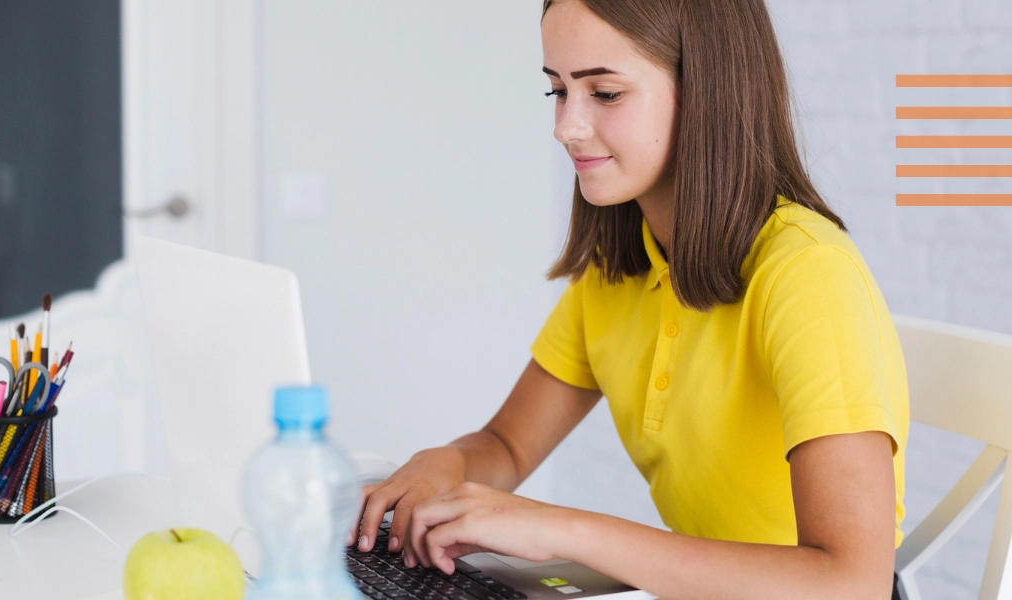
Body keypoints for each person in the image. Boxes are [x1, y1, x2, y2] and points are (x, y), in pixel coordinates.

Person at [351, 0, 910, 598]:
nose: (566, 126)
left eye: (606, 94)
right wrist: (451, 463)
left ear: (707, 92)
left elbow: (853, 583)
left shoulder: (808, 273)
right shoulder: (619, 267)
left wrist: (562, 529)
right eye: (558, 92)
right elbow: (507, 445)